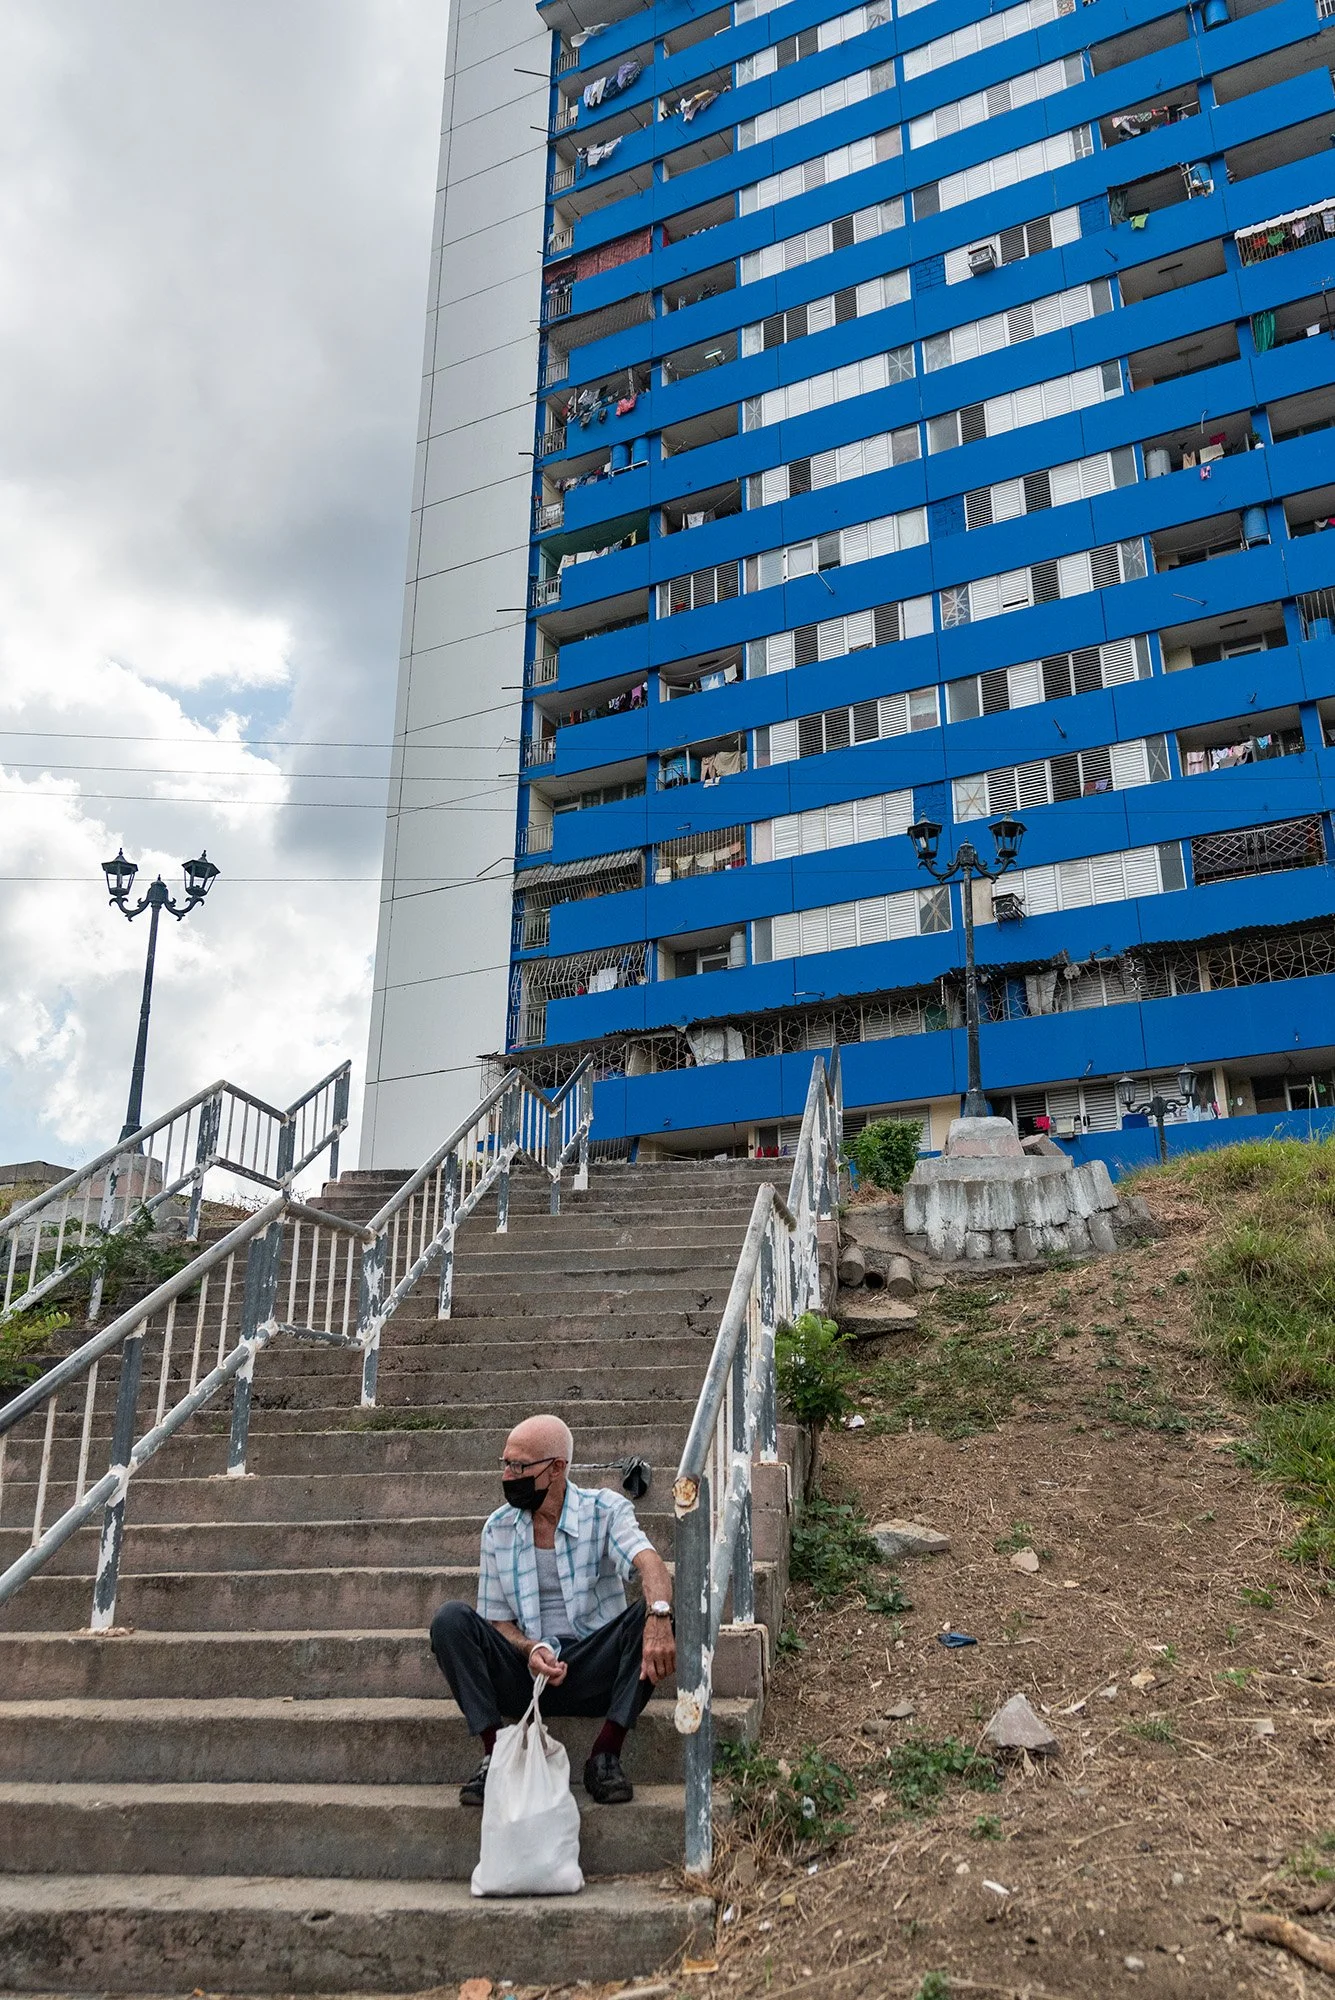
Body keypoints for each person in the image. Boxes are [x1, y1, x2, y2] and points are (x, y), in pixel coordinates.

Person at [429, 1413, 676, 1807]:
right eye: (506, 1464)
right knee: (450, 1621)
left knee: (649, 1616)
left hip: (594, 1667)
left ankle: (605, 1754)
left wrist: (659, 1616)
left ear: (558, 1468)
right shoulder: (497, 1528)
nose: (509, 1475)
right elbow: (496, 1621)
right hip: (527, 1674)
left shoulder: (605, 1511)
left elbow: (650, 1564)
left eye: (520, 1466)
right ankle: (496, 1755)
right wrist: (529, 1649)